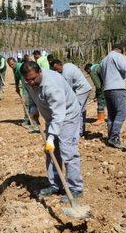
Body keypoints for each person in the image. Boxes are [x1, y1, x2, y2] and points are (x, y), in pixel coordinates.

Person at [22, 60, 84, 201]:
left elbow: (59, 114)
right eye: (27, 80)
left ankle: (75, 189)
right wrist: (33, 108)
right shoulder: (28, 81)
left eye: (33, 79)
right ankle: (55, 185)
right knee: (51, 152)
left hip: (67, 115)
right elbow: (32, 95)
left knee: (67, 151)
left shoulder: (52, 86)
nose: (31, 82)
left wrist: (50, 137)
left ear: (40, 72)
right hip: (51, 117)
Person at [50, 58, 92, 136]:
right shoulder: (68, 65)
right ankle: (81, 130)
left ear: (60, 64)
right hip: (84, 88)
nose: (57, 71)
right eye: (55, 70)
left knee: (77, 110)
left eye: (57, 69)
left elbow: (68, 89)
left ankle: (79, 132)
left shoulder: (66, 73)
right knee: (82, 110)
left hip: (81, 90)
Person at [100, 42, 126, 149]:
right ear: (120, 50)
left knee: (111, 114)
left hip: (107, 89)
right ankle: (114, 137)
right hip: (117, 88)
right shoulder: (117, 56)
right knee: (121, 112)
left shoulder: (104, 60)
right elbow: (125, 68)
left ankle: (110, 137)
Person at [7, 56, 33, 127]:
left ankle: (32, 121)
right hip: (27, 86)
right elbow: (16, 78)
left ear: (15, 61)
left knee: (29, 103)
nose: (11, 66)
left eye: (12, 64)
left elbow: (24, 80)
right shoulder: (14, 68)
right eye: (10, 65)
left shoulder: (20, 67)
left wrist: (24, 91)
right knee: (27, 103)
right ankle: (27, 119)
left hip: (30, 86)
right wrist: (17, 87)